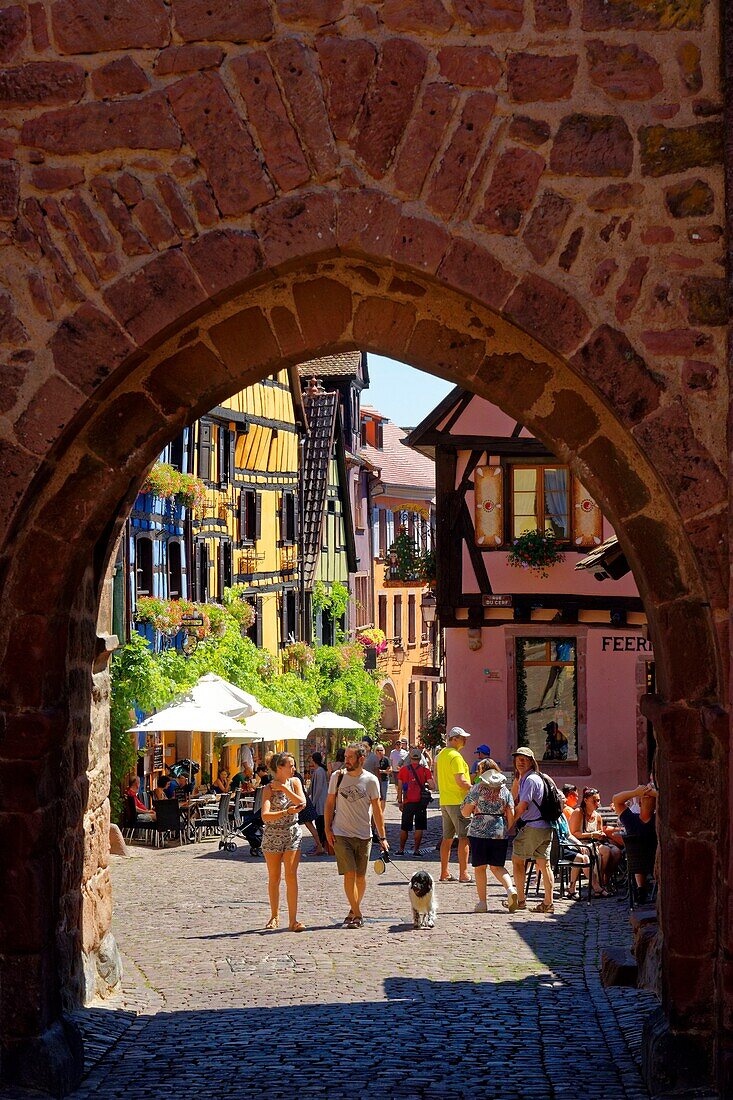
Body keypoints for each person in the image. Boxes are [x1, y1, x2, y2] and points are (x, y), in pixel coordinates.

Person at [324, 743, 389, 928]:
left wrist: (382, 837)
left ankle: (353, 910)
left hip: (364, 835)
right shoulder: (337, 777)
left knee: (360, 877)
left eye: (350, 757)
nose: (346, 760)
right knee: (349, 874)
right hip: (341, 833)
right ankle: (359, 914)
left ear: (361, 759)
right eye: (345, 757)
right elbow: (329, 804)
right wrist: (327, 829)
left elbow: (377, 810)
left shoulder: (371, 781)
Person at [460, 758, 517, 912]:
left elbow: (465, 812)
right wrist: (504, 828)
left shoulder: (477, 789)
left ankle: (482, 903)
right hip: (499, 831)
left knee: (480, 868)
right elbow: (511, 814)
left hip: (479, 831)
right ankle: (511, 889)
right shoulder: (505, 790)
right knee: (498, 866)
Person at [261, 752, 306, 931]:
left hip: (292, 833)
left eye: (294, 766)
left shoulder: (294, 783)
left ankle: (293, 920)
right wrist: (286, 812)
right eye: (291, 766)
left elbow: (302, 803)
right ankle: (274, 915)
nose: (294, 769)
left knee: (291, 875)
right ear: (280, 768)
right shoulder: (268, 789)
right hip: (272, 835)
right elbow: (265, 816)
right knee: (274, 877)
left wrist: (285, 789)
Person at [510, 746, 555, 914]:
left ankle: (521, 901)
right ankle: (548, 903)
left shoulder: (529, 780)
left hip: (533, 827)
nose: (520, 762)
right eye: (518, 758)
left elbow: (522, 807)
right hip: (546, 826)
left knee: (517, 860)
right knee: (544, 864)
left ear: (531, 761)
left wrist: (509, 824)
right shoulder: (541, 778)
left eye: (525, 759)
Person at [435, 726, 473, 884]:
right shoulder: (455, 756)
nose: (465, 740)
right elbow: (461, 781)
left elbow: (436, 778)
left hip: (445, 800)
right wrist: (476, 788)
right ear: (454, 739)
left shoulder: (441, 754)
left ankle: (444, 872)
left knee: (447, 838)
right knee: (464, 838)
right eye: (463, 737)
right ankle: (464, 873)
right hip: (458, 801)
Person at [569, 787, 622, 896]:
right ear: (585, 800)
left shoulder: (597, 816)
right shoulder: (578, 813)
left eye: (598, 800)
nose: (597, 803)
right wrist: (592, 835)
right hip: (581, 843)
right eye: (594, 800)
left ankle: (605, 879)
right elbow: (574, 833)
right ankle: (600, 884)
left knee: (617, 852)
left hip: (596, 843)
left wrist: (600, 835)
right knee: (606, 851)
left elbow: (600, 832)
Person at [396, 748, 433, 856]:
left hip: (408, 801)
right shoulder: (425, 770)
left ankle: (401, 849)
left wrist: (400, 801)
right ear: (420, 758)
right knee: (419, 826)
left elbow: (399, 787)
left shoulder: (403, 770)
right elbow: (432, 786)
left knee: (404, 827)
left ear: (410, 758)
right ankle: (416, 850)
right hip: (421, 802)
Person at [554, 793, 591, 898]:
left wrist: (579, 844)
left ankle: (573, 888)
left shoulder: (562, 816)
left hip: (566, 846)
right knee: (580, 858)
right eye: (562, 798)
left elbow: (569, 835)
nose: (565, 800)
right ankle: (576, 888)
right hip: (556, 849)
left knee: (585, 854)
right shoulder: (551, 817)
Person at [295, 767, 325, 856]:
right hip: (304, 801)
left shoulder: (294, 777)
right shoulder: (298, 776)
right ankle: (319, 846)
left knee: (310, 825)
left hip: (302, 803)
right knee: (310, 826)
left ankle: (319, 846)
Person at [309, 752, 330, 850]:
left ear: (314, 760)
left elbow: (318, 788)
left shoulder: (319, 771)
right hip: (319, 801)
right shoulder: (318, 770)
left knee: (320, 824)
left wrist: (313, 801)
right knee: (319, 823)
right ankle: (321, 844)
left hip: (320, 802)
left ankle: (321, 844)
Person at [375, 743, 391, 810]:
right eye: (378, 750)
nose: (379, 752)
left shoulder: (386, 759)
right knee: (375, 797)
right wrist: (384, 771)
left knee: (383, 798)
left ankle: (381, 813)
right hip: (375, 781)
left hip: (384, 780)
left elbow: (390, 770)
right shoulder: (374, 759)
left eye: (381, 750)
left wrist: (381, 771)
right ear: (375, 751)